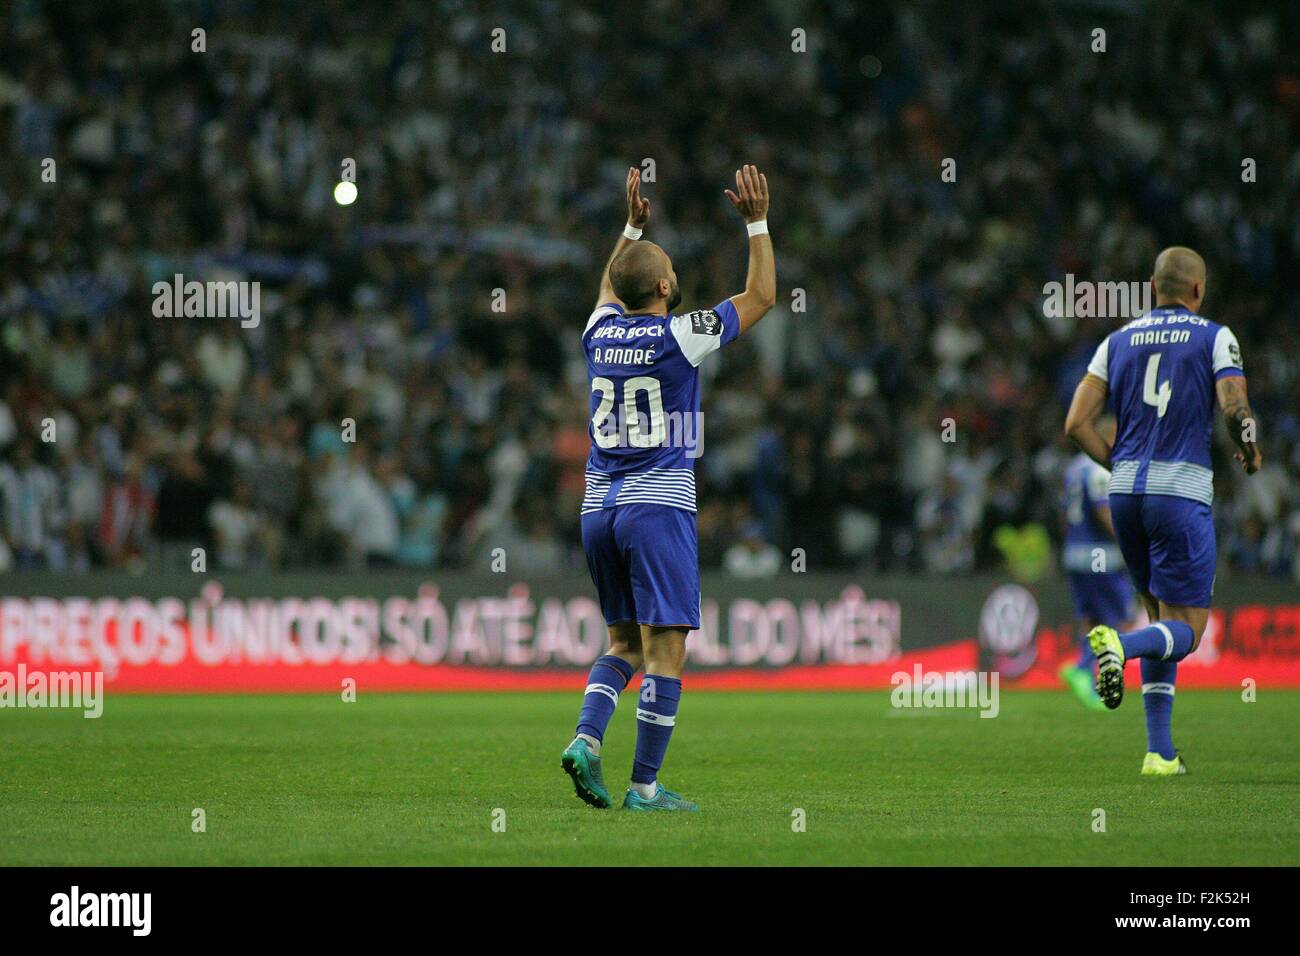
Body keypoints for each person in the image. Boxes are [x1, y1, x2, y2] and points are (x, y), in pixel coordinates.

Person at [561, 165, 775, 810]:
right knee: (665, 652)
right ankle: (644, 789)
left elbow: (607, 284)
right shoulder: (679, 334)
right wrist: (757, 221)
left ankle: (586, 741)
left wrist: (629, 228)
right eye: (672, 269)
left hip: (599, 505)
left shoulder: (598, 333)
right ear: (662, 285)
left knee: (621, 644)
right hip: (658, 504)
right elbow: (761, 296)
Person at [1064, 247, 1262, 775]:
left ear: (1153, 287)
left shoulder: (1115, 341)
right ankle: (1117, 645)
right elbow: (1233, 405)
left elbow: (1076, 423)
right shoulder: (1215, 336)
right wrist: (1249, 446)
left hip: (1125, 492)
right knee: (1189, 630)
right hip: (1180, 491)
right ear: (1198, 290)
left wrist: (1121, 464)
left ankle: (1160, 752)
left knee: (1161, 618)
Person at [1059, 415, 1138, 710]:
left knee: (1090, 616)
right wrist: (1133, 544)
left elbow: (1065, 514)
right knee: (1118, 616)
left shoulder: (1074, 467)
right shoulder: (1100, 470)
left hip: (1075, 554)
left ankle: (1082, 668)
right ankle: (1083, 668)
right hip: (1100, 557)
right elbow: (1105, 513)